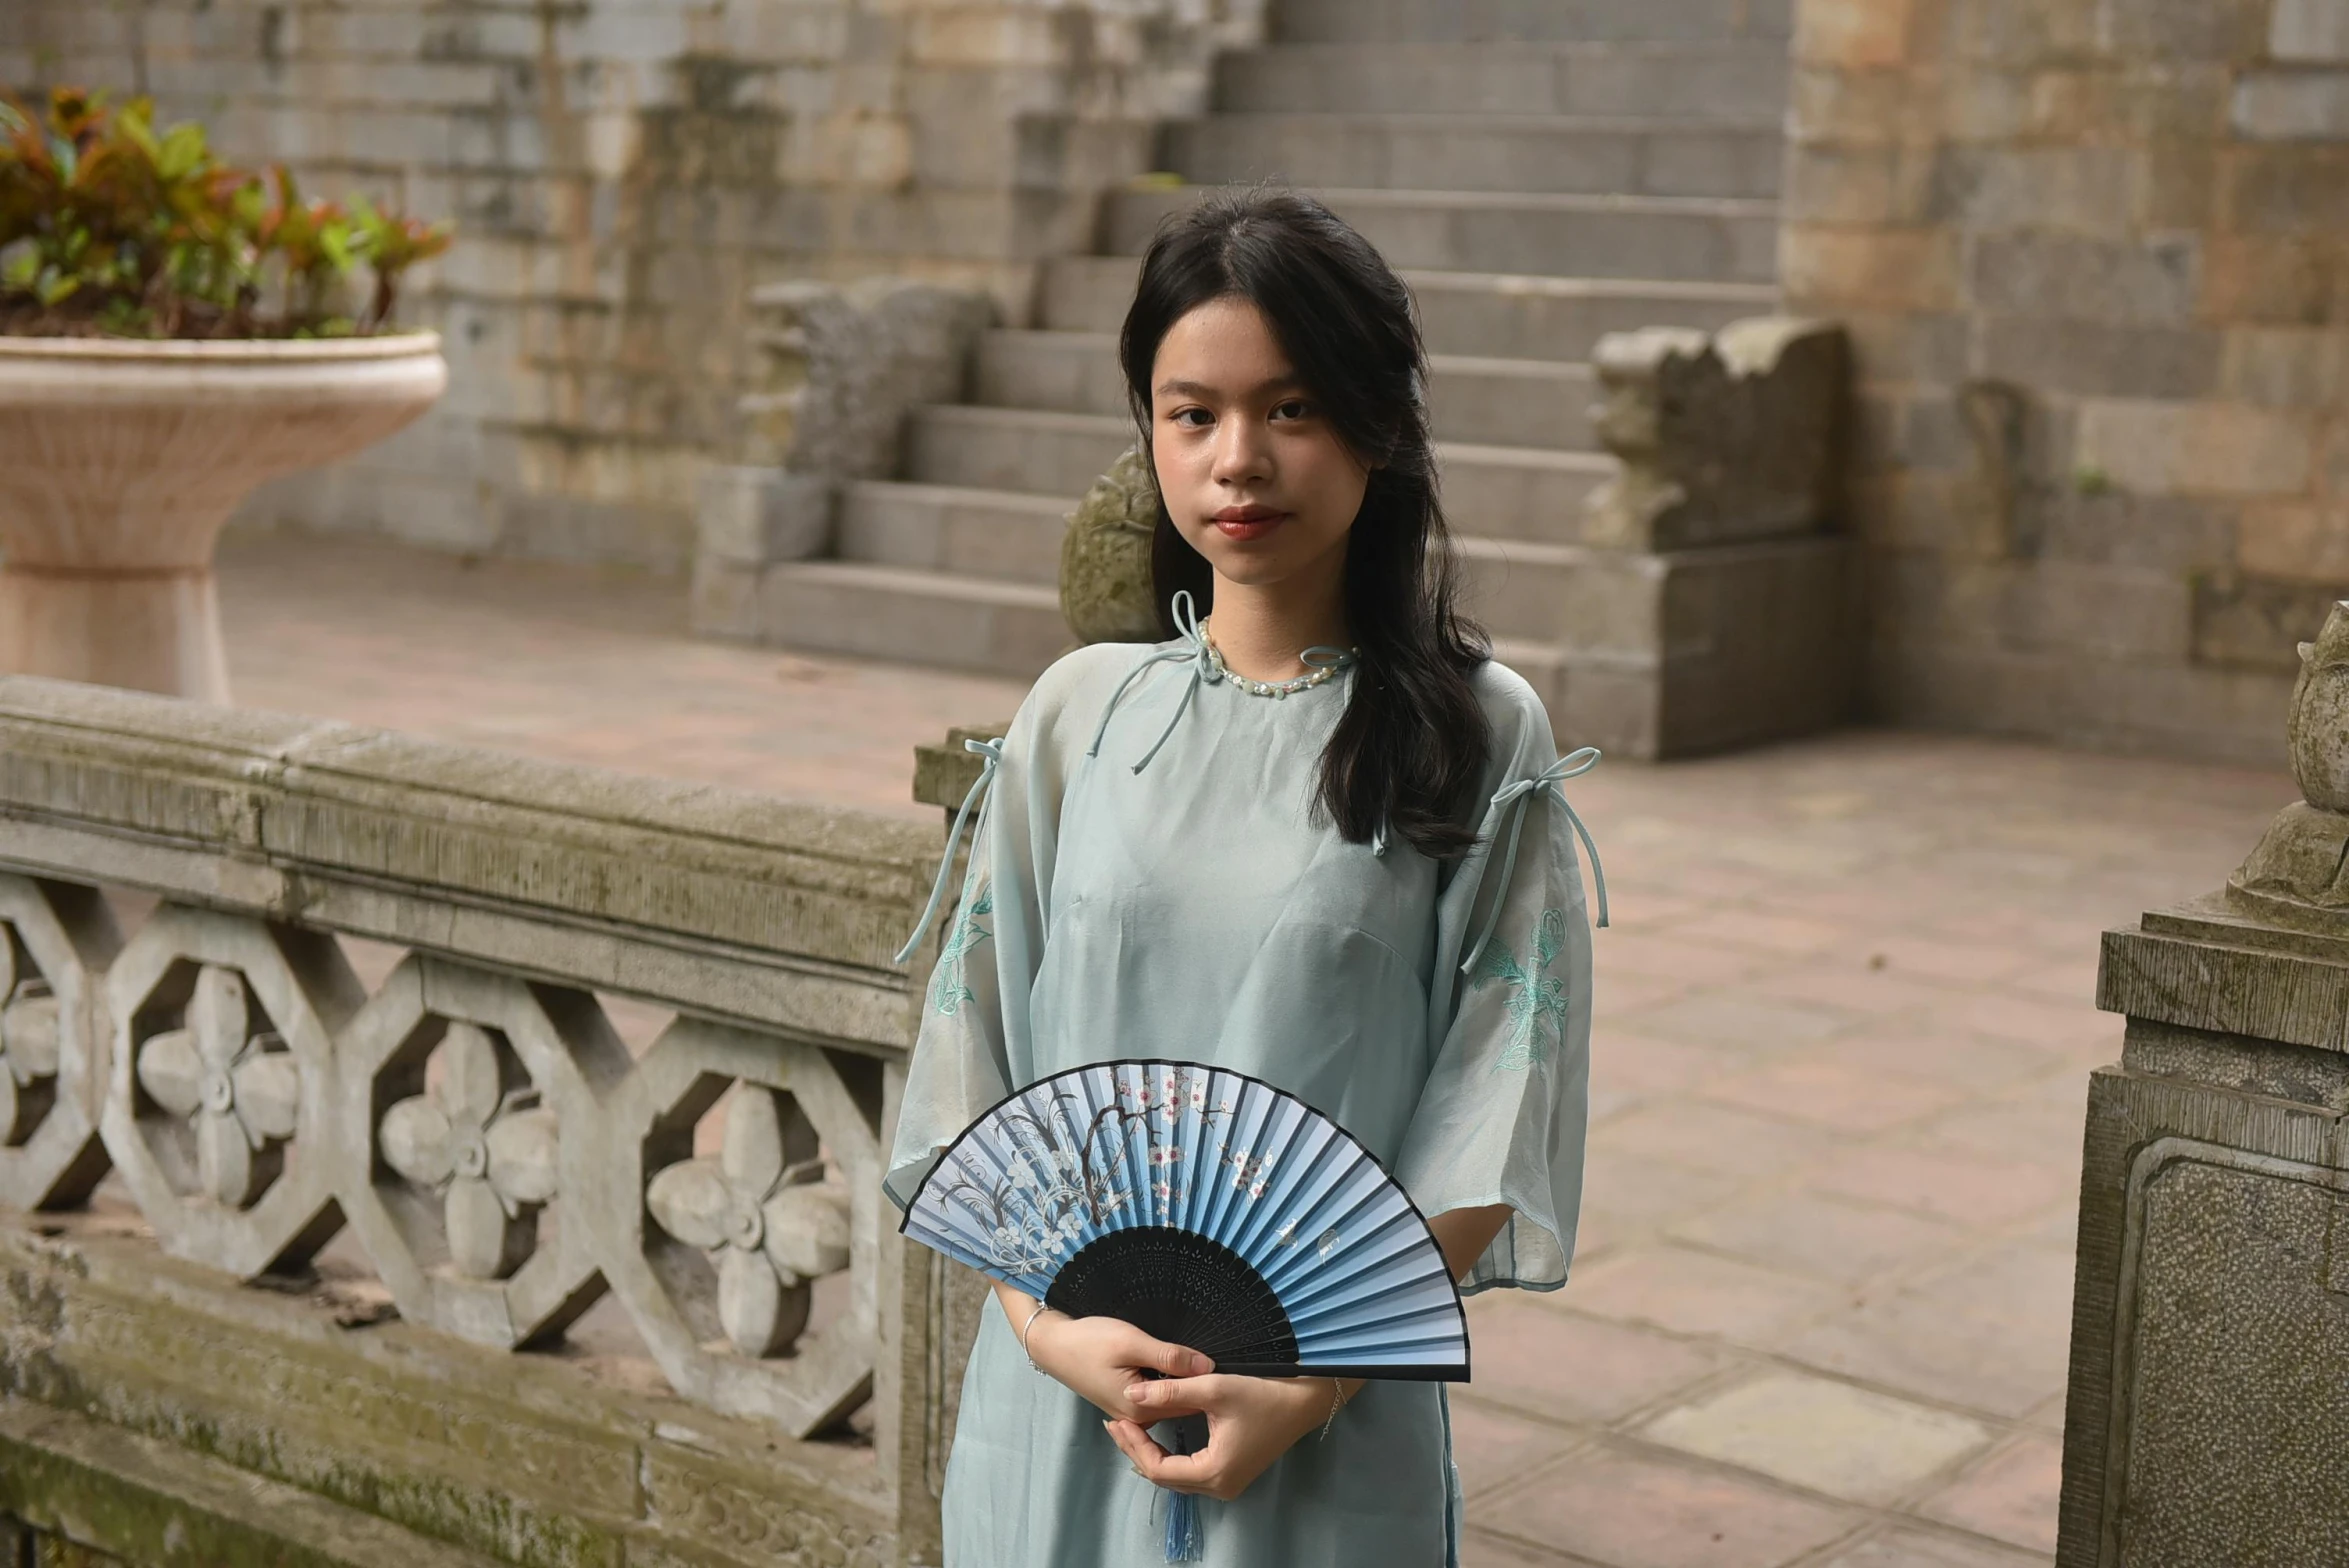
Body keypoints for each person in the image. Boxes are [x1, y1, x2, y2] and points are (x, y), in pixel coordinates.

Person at [882, 187, 1604, 1568]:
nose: (1237, 461)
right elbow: (972, 1049)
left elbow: (1495, 1094)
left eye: (1291, 409)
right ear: (1147, 431)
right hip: (1061, 1397)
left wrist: (1312, 1383)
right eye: (1191, 413)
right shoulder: (1079, 715)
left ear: (1377, 426)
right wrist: (1050, 1332)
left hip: (1324, 1409)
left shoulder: (1475, 732)